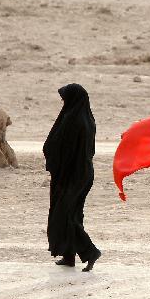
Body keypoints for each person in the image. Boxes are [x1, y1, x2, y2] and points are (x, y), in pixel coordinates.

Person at [43, 84, 101, 272]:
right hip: (81, 173)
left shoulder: (73, 121)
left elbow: (63, 149)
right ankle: (68, 255)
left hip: (72, 175)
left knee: (64, 215)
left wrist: (54, 158)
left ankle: (90, 252)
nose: (63, 102)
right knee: (72, 214)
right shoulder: (86, 118)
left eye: (64, 99)